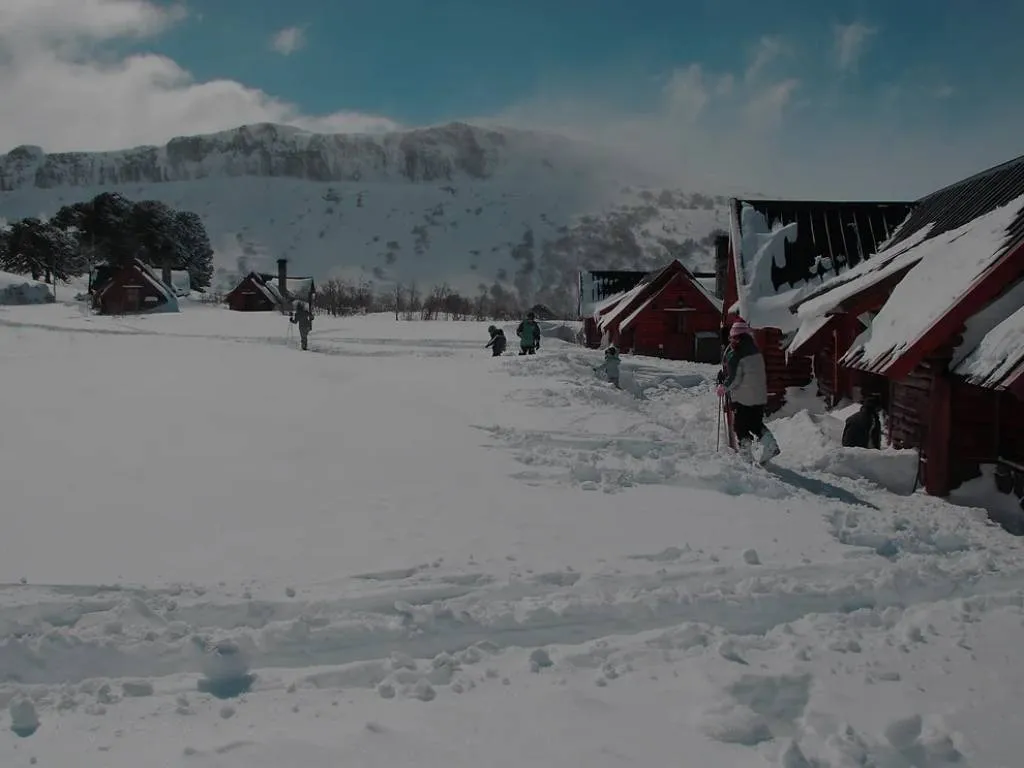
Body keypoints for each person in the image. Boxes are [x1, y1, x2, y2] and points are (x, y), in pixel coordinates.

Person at [716, 319, 780, 463]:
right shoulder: (756, 351)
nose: (731, 340)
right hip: (759, 396)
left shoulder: (736, 355)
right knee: (755, 424)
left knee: (740, 426)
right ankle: (770, 445)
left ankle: (746, 456)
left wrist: (723, 387)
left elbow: (735, 378)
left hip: (744, 398)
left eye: (733, 337)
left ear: (738, 338)